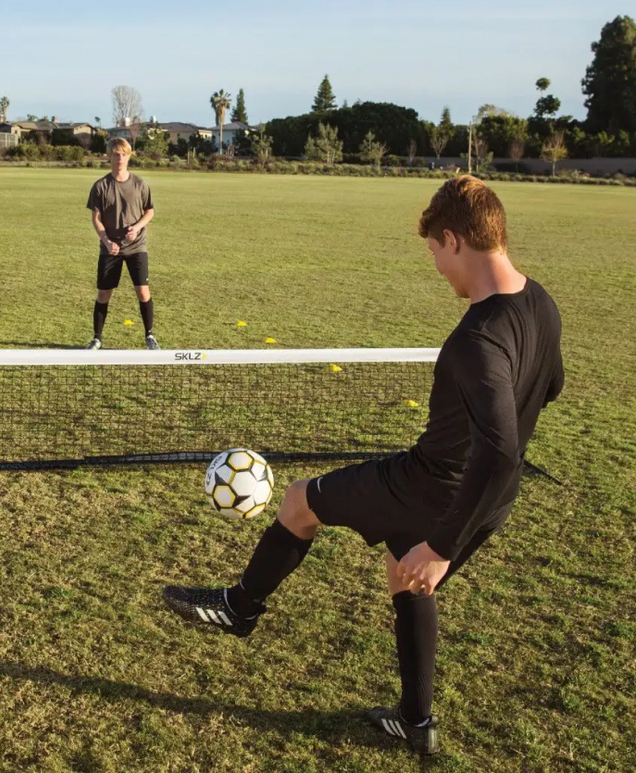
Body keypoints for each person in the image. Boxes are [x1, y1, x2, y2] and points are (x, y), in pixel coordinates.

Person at [161, 176, 564, 756]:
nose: (436, 267)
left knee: (300, 501)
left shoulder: (476, 339)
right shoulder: (542, 302)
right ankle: (415, 720)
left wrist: (443, 543)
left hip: (429, 486)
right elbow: (550, 387)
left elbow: (498, 450)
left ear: (453, 240)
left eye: (433, 251)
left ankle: (238, 608)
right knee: (405, 575)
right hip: (491, 503)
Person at [86, 138, 158, 350]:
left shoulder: (140, 184)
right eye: (116, 154)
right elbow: (96, 219)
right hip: (110, 249)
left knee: (143, 291)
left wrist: (136, 228)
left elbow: (149, 212)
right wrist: (107, 241)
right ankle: (97, 338)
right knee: (103, 293)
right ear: (109, 156)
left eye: (124, 154)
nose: (120, 159)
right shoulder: (100, 186)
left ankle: (150, 336)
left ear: (129, 156)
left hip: (137, 247)